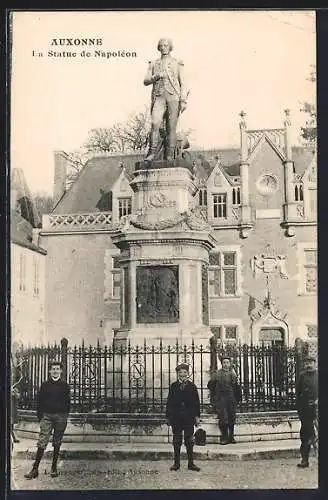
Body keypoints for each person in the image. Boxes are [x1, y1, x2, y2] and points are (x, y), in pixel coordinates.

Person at [144, 38, 189, 162]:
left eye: (166, 45)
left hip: (173, 97)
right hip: (159, 96)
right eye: (161, 45)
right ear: (159, 47)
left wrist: (183, 100)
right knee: (155, 123)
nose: (164, 47)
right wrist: (156, 76)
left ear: (170, 47)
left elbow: (183, 83)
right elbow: (146, 81)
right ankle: (152, 152)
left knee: (171, 127)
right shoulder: (153, 64)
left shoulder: (177, 63)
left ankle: (169, 154)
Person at [24, 361, 70, 479]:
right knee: (42, 441)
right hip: (47, 416)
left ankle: (54, 467)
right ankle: (35, 469)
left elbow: (68, 402)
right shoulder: (45, 385)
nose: (55, 371)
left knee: (57, 442)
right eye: (53, 369)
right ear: (50, 371)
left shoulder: (65, 385)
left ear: (61, 371)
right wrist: (41, 417)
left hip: (61, 417)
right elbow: (39, 401)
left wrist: (64, 416)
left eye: (57, 369)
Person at [166, 363, 201, 471]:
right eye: (180, 372)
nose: (182, 374)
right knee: (177, 440)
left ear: (188, 374)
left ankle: (191, 464)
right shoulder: (173, 386)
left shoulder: (192, 386)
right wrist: (168, 417)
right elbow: (169, 402)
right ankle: (176, 464)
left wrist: (197, 416)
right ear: (177, 374)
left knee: (189, 440)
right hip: (176, 418)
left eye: (185, 372)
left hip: (189, 418)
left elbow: (196, 402)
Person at [210, 356, 241, 445]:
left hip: (231, 398)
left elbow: (236, 387)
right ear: (221, 363)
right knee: (223, 418)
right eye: (224, 362)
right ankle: (224, 437)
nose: (225, 364)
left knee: (231, 417)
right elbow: (211, 384)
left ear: (230, 363)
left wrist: (237, 399)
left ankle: (231, 437)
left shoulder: (232, 374)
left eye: (227, 362)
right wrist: (215, 395)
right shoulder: (217, 374)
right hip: (221, 398)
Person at [296, 355, 318, 468]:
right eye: (306, 363)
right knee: (305, 435)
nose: (308, 365)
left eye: (310, 362)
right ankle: (305, 459)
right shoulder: (302, 376)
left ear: (315, 363)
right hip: (305, 411)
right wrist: (300, 409)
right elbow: (298, 393)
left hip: (318, 410)